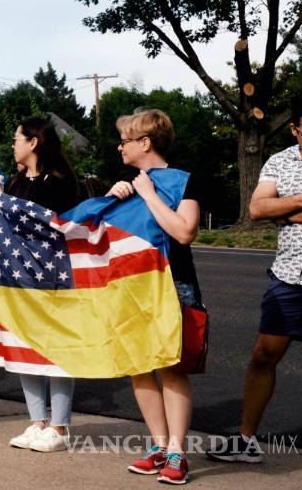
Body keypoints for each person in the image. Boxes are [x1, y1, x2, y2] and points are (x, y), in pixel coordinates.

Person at [208, 92, 302, 466]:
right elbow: (257, 208)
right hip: (289, 276)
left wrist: (287, 212)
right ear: (295, 130)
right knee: (262, 356)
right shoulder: (278, 162)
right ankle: (245, 441)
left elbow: (274, 211)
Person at [106, 109, 202, 485]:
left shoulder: (184, 181)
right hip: (131, 285)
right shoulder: (125, 186)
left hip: (172, 284)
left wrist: (147, 194)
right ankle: (158, 446)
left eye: (126, 140)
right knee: (139, 366)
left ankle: (177, 452)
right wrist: (113, 201)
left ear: (145, 143)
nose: (120, 147)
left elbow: (184, 232)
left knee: (170, 367)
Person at [0, 118, 80, 453]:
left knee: (57, 349)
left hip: (54, 277)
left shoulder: (60, 182)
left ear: (33, 142)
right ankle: (37, 422)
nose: (13, 144)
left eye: (17, 138)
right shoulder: (15, 182)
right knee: (25, 348)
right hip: (20, 279)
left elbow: (63, 229)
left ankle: (59, 426)